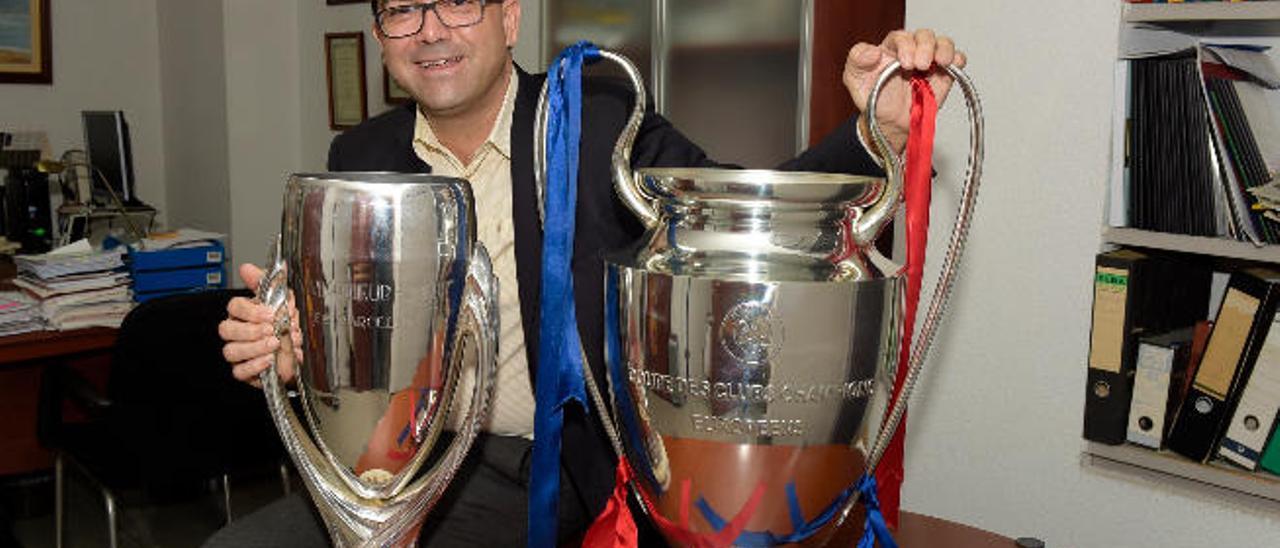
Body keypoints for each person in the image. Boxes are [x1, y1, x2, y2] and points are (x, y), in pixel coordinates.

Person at [210, 0, 966, 546]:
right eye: (403, 8)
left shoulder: (594, 116)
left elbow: (733, 215)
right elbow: (337, 332)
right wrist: (284, 347)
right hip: (400, 458)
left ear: (509, 17)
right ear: (381, 36)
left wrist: (881, 127)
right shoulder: (359, 157)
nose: (430, 28)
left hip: (540, 468)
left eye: (457, 2)